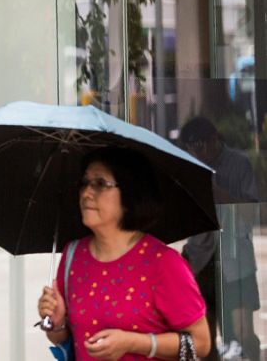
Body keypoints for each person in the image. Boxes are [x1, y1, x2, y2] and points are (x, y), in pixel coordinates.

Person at [37, 147, 211, 360]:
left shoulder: (163, 263)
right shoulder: (73, 255)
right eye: (84, 183)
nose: (86, 193)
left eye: (100, 184)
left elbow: (201, 344)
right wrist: (57, 323)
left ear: (130, 193)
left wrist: (133, 342)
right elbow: (64, 339)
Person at [180, 117, 260, 361]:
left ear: (215, 139)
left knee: (243, 331)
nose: (197, 151)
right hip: (201, 258)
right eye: (192, 147)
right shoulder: (188, 168)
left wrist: (219, 193)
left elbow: (253, 213)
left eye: (201, 145)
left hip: (235, 257)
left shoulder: (239, 164)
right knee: (204, 338)